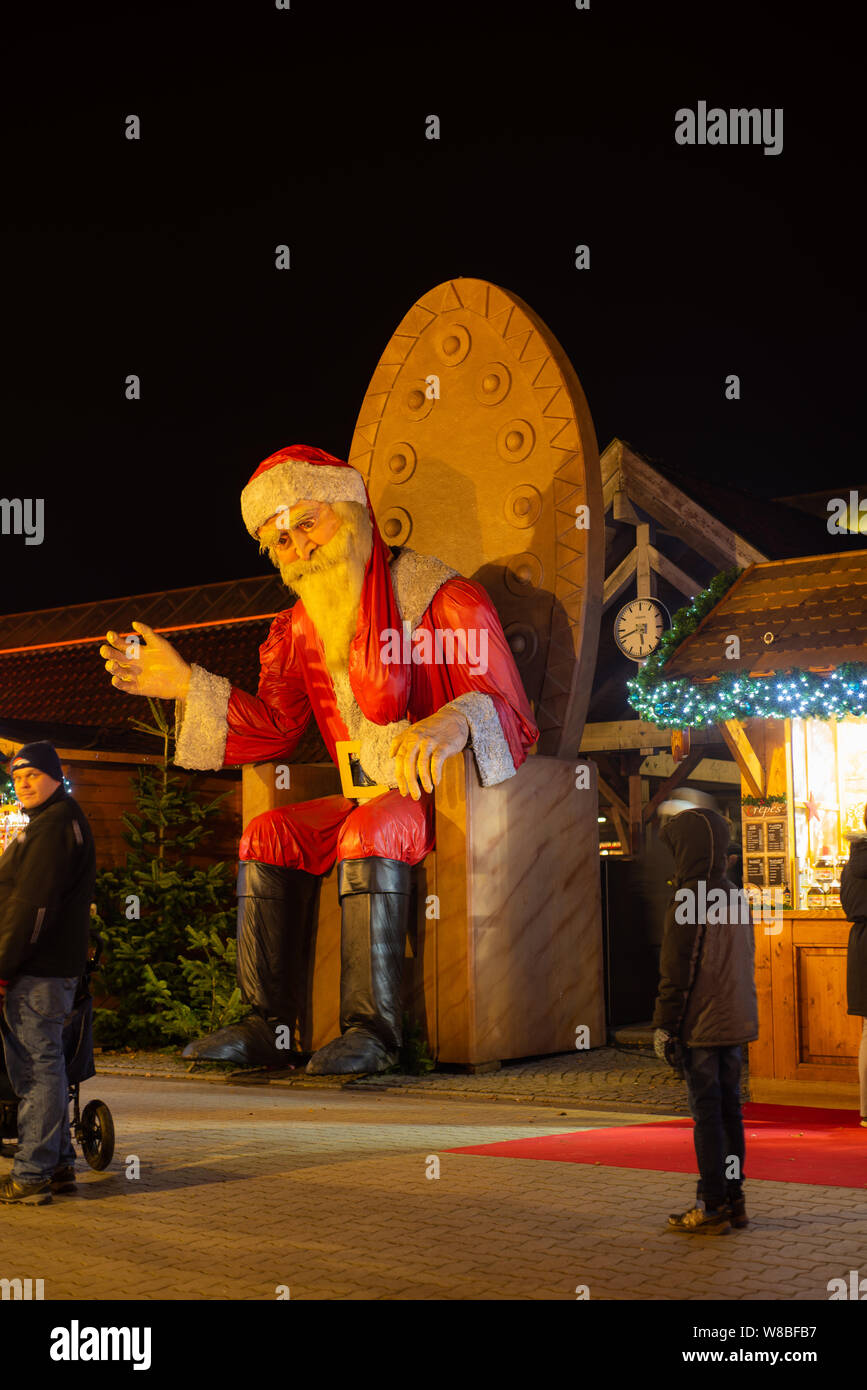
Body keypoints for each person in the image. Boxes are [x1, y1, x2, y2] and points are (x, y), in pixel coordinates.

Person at [100, 444, 538, 1074]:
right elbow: (275, 729)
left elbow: (511, 710)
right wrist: (184, 684)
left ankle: (374, 1031)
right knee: (267, 833)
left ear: (353, 513)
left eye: (306, 523)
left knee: (369, 826)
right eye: (279, 540)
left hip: (439, 799)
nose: (298, 548)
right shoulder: (300, 628)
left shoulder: (443, 599)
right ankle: (264, 1023)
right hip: (359, 794)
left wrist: (454, 718)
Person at [652, 797, 758, 1234]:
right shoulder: (735, 894)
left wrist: (666, 1026)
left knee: (708, 1116)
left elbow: (678, 970)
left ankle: (710, 1203)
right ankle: (735, 1199)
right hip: (735, 1021)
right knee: (731, 1112)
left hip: (701, 1024)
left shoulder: (688, 896)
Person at [0, 742, 96, 1205]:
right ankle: (57, 1166)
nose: (24, 783)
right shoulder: (53, 822)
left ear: (55, 776)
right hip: (47, 968)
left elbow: (31, 908)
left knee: (37, 1071)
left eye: (33, 775)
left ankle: (32, 1175)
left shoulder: (55, 826)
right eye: (18, 777)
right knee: (47, 1065)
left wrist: (4, 965)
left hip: (36, 971)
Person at [839, 804, 867, 1128]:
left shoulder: (851, 863)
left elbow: (848, 905)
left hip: (860, 945)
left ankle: (865, 1110)